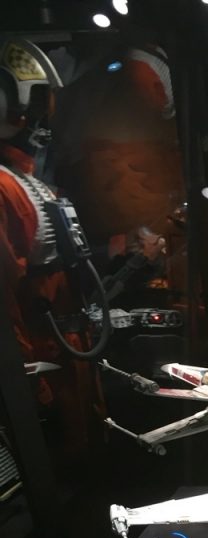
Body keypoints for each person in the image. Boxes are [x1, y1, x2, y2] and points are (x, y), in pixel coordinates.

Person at [0, 35, 105, 467]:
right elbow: (4, 303)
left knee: (85, 470)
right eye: (37, 101)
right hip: (46, 364)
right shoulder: (6, 188)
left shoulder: (27, 183)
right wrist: (27, 382)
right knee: (65, 475)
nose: (44, 115)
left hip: (67, 356)